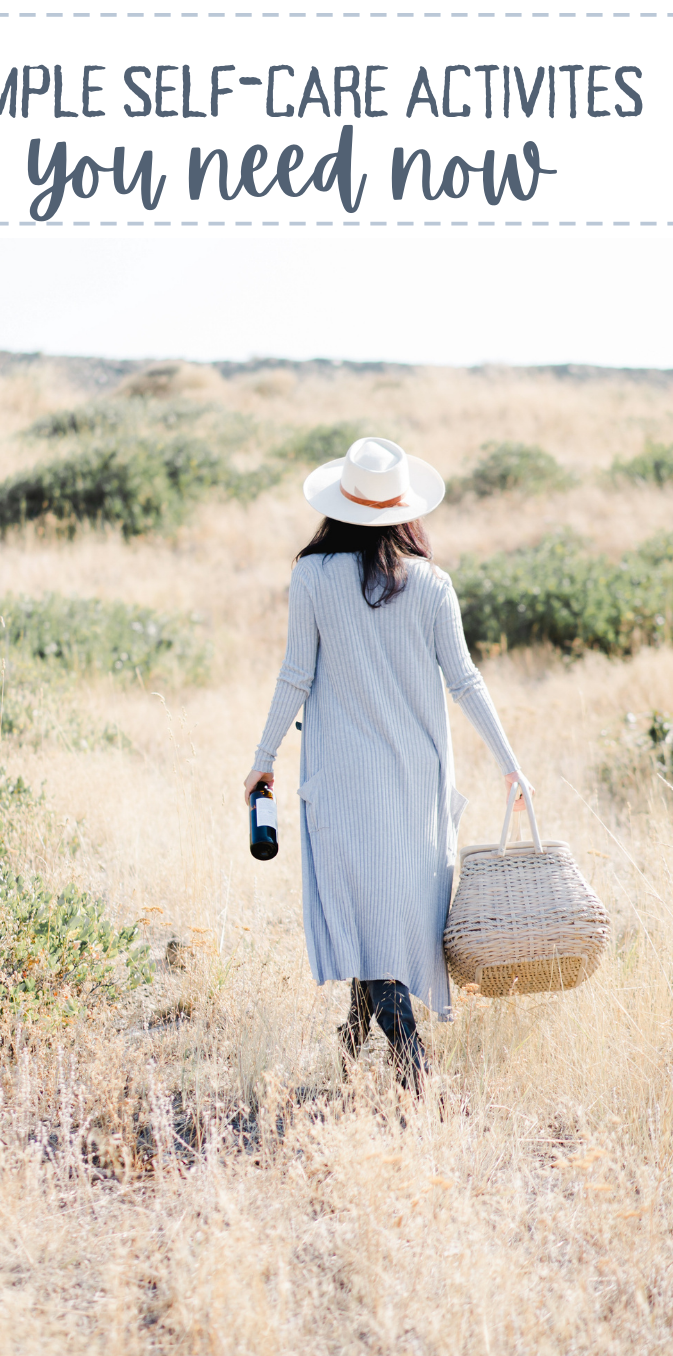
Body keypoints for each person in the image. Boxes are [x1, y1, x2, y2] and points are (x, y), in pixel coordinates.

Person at [244, 436, 530, 1093]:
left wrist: (262, 762)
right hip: (416, 787)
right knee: (382, 918)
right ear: (403, 511)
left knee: (367, 917)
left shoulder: (312, 577)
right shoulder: (431, 583)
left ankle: (412, 1067)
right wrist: (512, 766)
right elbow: (466, 681)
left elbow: (294, 677)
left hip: (344, 785)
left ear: (341, 503)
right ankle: (352, 1047)